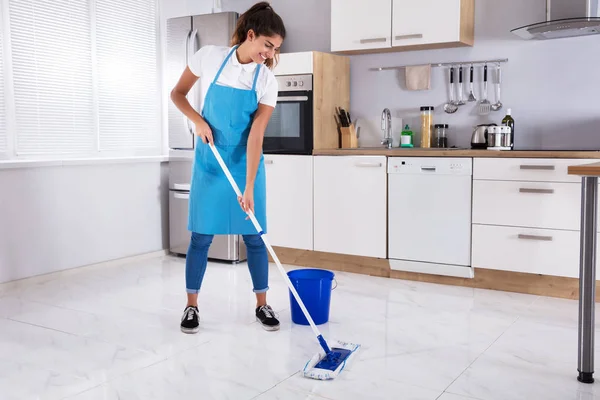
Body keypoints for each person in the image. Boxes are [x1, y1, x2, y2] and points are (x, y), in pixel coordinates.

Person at [170, 2, 286, 334]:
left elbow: (256, 136)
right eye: (267, 45)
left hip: (245, 163)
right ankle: (191, 307)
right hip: (210, 162)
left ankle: (262, 304)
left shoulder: (266, 81)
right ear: (251, 35)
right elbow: (177, 93)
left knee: (255, 237)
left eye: (275, 49)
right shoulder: (209, 56)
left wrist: (249, 186)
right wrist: (197, 121)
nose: (270, 54)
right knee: (201, 237)